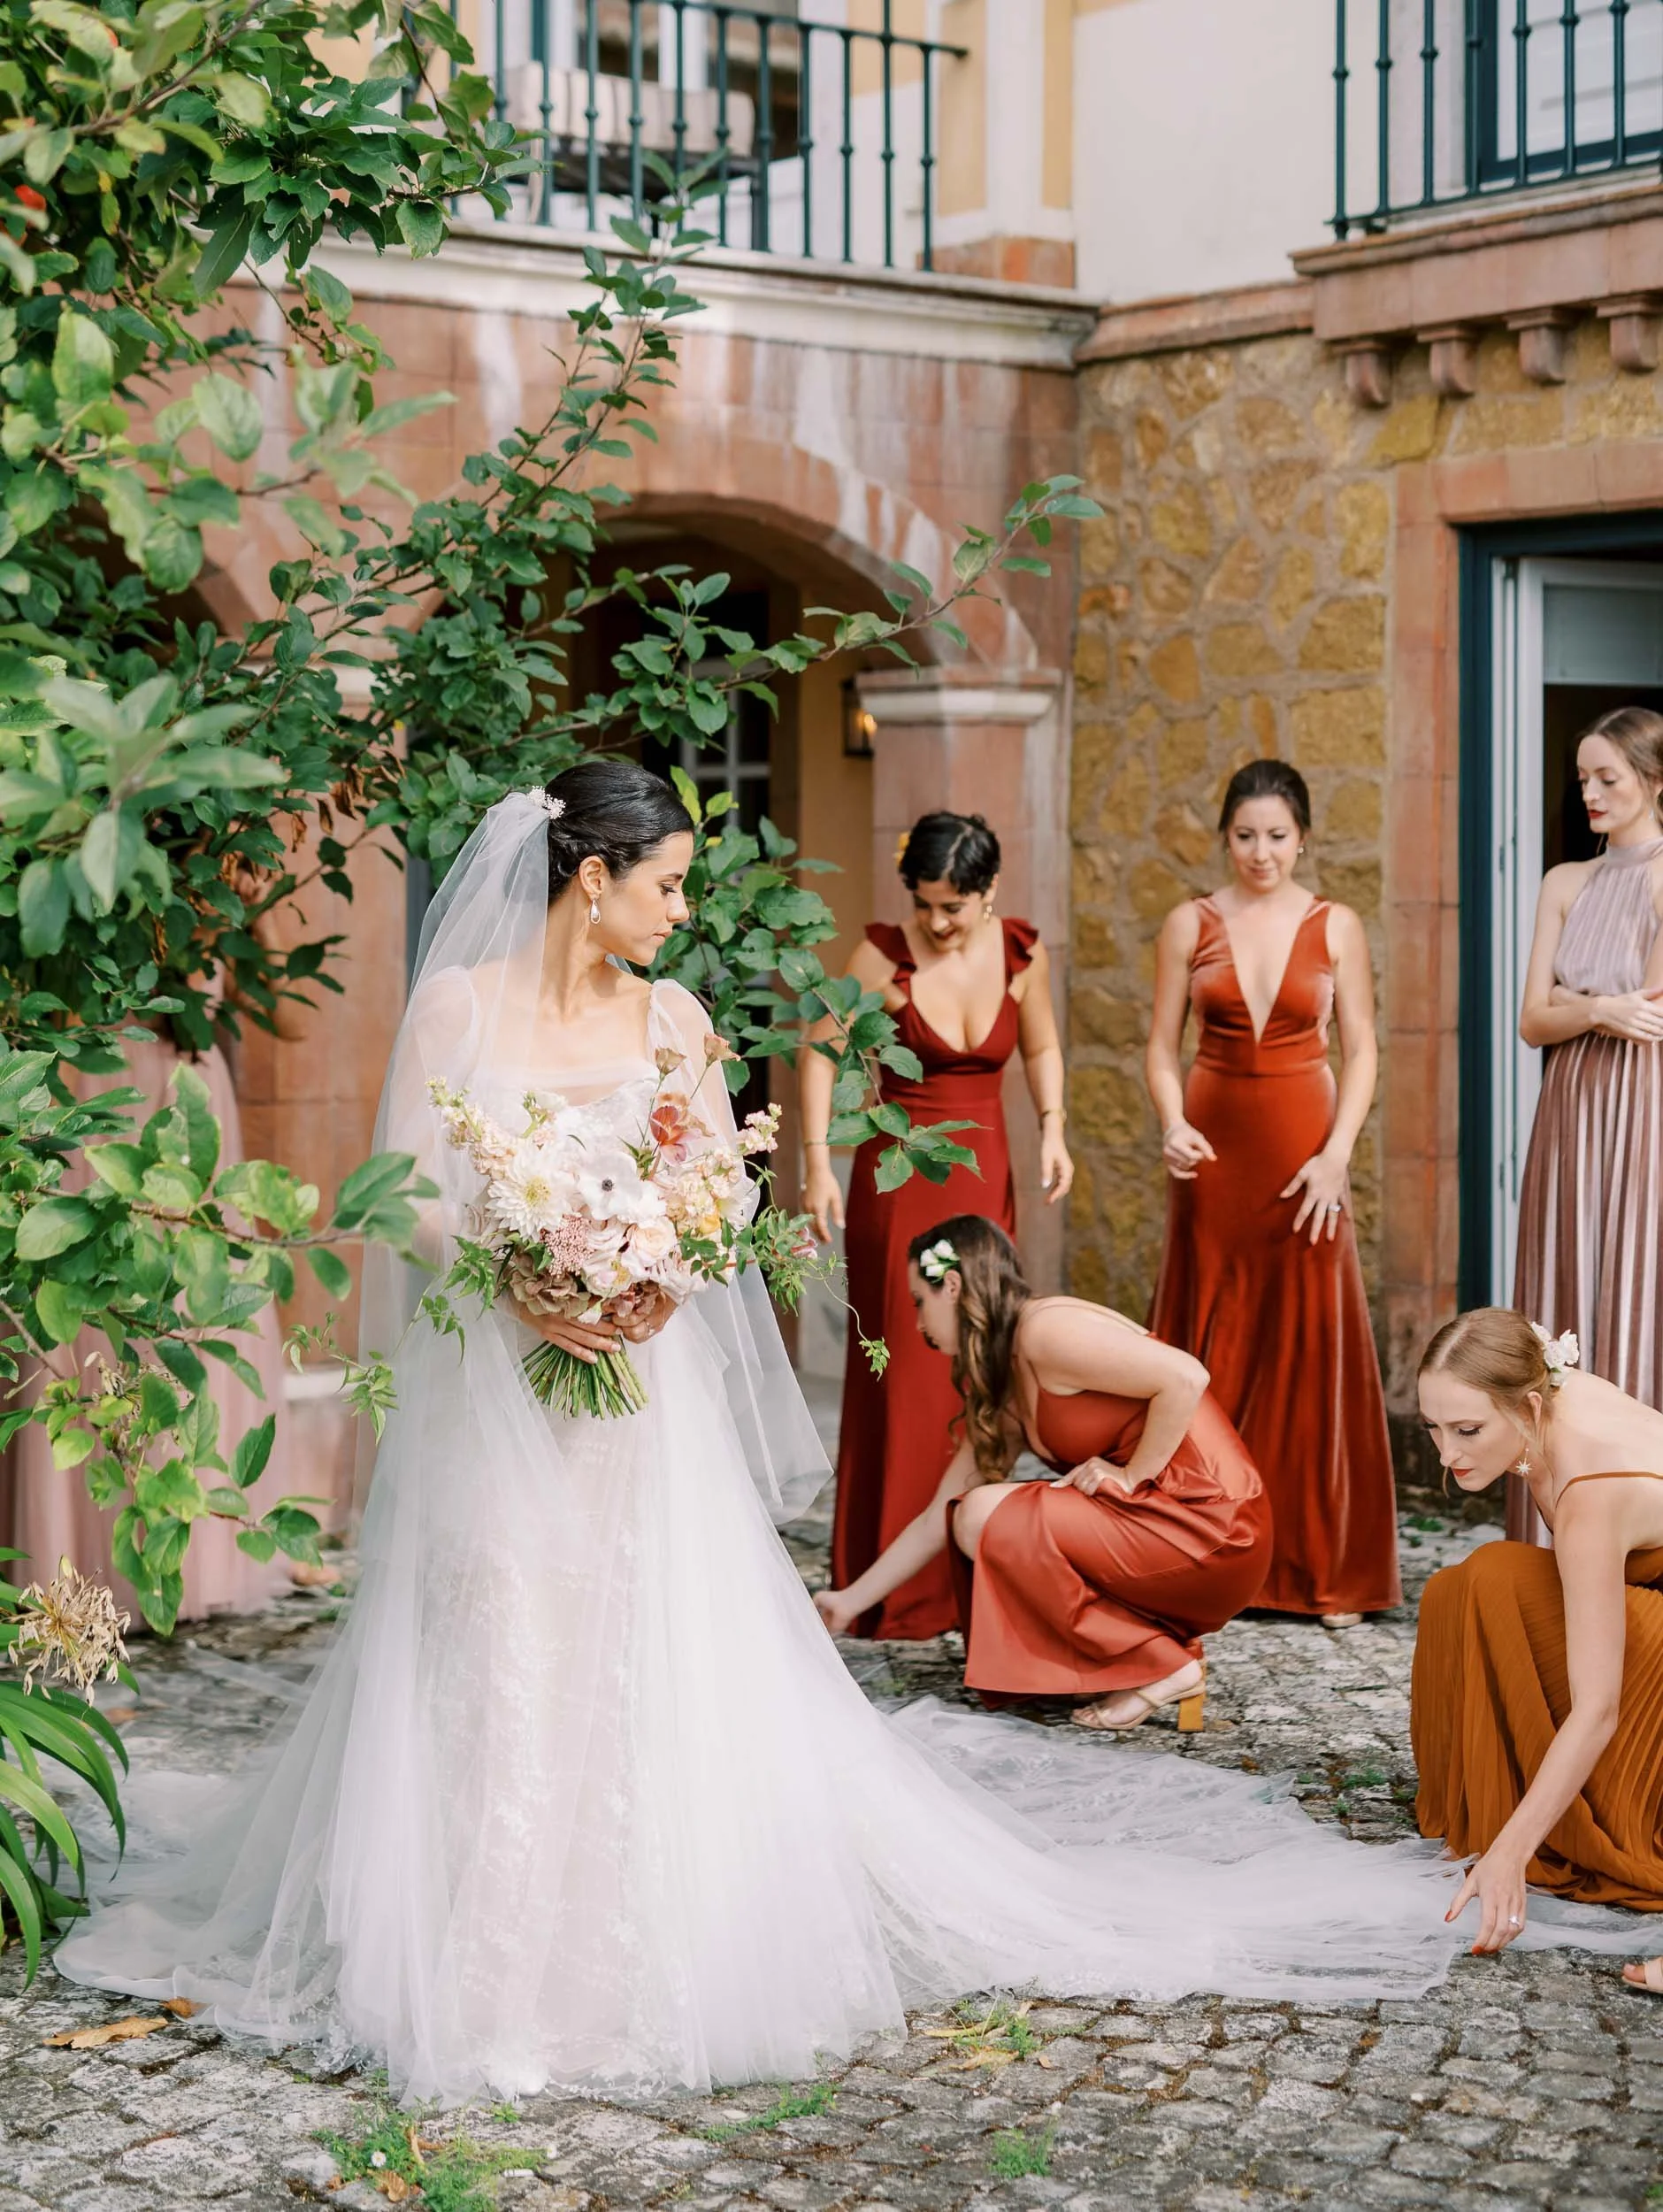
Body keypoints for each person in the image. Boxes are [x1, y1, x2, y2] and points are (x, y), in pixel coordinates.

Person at [58, 767, 1639, 2108]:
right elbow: (410, 1203)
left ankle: (626, 1939)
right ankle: (474, 1950)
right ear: (591, 876)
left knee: (623, 1639)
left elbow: (711, 1192)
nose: (681, 916)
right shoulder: (461, 1008)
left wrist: (654, 1271)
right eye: (665, 887)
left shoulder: (672, 1016)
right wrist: (528, 1272)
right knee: (493, 1635)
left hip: (631, 1397)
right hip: (502, 1388)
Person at [813, 1215, 1272, 1729]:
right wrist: (848, 1602)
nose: (917, 1322)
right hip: (1155, 1527)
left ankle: (1167, 1666)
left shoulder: (1045, 1330)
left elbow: (1187, 1376)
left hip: (1214, 1525)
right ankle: (1153, 1658)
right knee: (969, 1514)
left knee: (985, 1514)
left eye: (921, 1300)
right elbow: (937, 1515)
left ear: (955, 1285)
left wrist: (1131, 1475)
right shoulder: (1005, 1381)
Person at [801, 812, 1071, 1639]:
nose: (938, 923)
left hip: (983, 1178)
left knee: (975, 1371)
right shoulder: (882, 955)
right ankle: (888, 1583)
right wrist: (818, 1164)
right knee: (903, 1379)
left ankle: (966, 1576)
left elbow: (1041, 1049)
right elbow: (819, 1050)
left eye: (954, 906)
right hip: (899, 1180)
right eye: (925, 905)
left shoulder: (1023, 952)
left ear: (990, 894)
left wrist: (1055, 1125)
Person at [1146, 758, 1399, 1626]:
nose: (1261, 852)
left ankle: (1320, 1565)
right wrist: (1170, 1120)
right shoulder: (1189, 921)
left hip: (1304, 1153)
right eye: (1245, 835)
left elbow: (1360, 1050)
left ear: (1302, 838)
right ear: (1225, 835)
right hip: (1214, 1153)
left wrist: (1336, 1155)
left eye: (1277, 836)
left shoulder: (1337, 925)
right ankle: (1204, 1549)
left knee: (1308, 1340)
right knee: (1210, 1338)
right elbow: (1156, 1046)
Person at [1413, 1306, 1663, 1991]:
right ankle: (1499, 1798)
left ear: (1526, 1404)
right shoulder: (1552, 1390)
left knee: (1495, 1579)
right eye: (1432, 1428)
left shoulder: (1591, 1496)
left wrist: (1509, 1853)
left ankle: (1590, 1815)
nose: (1447, 1454)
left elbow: (1598, 1709)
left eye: (1467, 1431)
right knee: (1461, 1588)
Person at [0, 1033, 292, 1619]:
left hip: (185, 1085)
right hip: (90, 1072)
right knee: (87, 1275)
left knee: (191, 1278)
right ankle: (83, 1556)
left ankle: (186, 1549)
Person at [1511, 707, 1663, 1544]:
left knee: (1636, 1282)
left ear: (1655, 780)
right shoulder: (1562, 881)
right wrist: (1595, 1007)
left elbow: (1653, 1012)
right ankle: (1552, 1525)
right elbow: (1532, 1022)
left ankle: (1634, 1521)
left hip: (1643, 1109)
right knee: (1567, 1287)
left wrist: (1584, 1005)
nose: (1592, 794)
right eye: (1583, 779)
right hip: (1569, 1114)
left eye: (1609, 777)